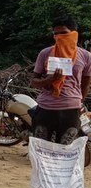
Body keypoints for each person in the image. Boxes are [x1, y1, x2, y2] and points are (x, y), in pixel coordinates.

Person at [30, 16, 91, 144]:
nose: (59, 36)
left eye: (63, 33)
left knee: (65, 151)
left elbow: (85, 84)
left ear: (74, 34)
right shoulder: (45, 53)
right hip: (46, 108)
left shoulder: (85, 56)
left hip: (71, 110)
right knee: (41, 149)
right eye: (55, 34)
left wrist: (79, 102)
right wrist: (49, 80)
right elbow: (33, 82)